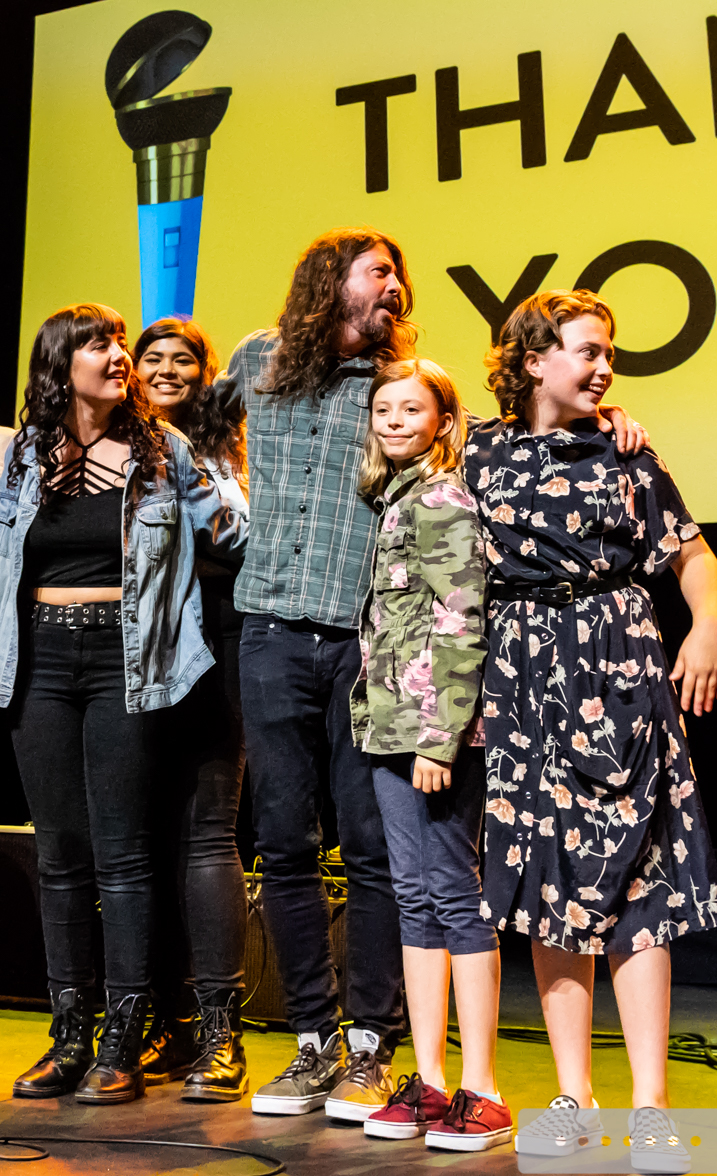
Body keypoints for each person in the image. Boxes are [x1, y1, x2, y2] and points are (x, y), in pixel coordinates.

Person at [211, 227, 646, 1120]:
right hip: (269, 629)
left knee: (375, 852)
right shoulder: (257, 358)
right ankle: (312, 1041)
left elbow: (486, 433)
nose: (396, 286)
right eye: (379, 272)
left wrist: (600, 422)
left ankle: (372, 1047)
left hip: (363, 646)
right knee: (284, 843)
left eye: (400, 274)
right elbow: (191, 421)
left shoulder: (397, 387)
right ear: (330, 281)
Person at [467, 290, 717, 1176]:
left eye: (609, 353)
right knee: (550, 878)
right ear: (533, 359)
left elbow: (691, 553)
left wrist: (707, 627)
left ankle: (650, 1105)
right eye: (587, 351)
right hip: (520, 675)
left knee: (639, 878)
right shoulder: (476, 450)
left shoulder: (626, 450)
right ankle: (573, 1097)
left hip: (618, 666)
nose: (605, 367)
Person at [0, 304, 246, 1105]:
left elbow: (233, 532)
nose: (118, 356)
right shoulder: (23, 455)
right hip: (39, 661)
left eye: (117, 343)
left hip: (126, 660)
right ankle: (69, 1033)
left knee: (123, 854)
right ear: (58, 364)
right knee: (60, 853)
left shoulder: (161, 449)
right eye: (97, 344)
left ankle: (123, 1036)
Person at [351, 359, 512, 1153]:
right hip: (389, 724)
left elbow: (460, 615)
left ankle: (482, 1088)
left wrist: (440, 736)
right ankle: (431, 1081)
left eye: (410, 409)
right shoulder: (397, 495)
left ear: (444, 422)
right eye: (383, 408)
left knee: (452, 892)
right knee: (414, 897)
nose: (392, 420)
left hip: (430, 732)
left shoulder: (442, 497)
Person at [132, 319, 250, 1102]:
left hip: (217, 641)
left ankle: (219, 1033)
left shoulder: (227, 450)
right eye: (154, 358)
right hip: (132, 648)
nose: (168, 370)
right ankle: (164, 1024)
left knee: (207, 832)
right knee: (139, 840)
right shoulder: (106, 446)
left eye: (185, 360)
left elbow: (242, 542)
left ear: (206, 375)